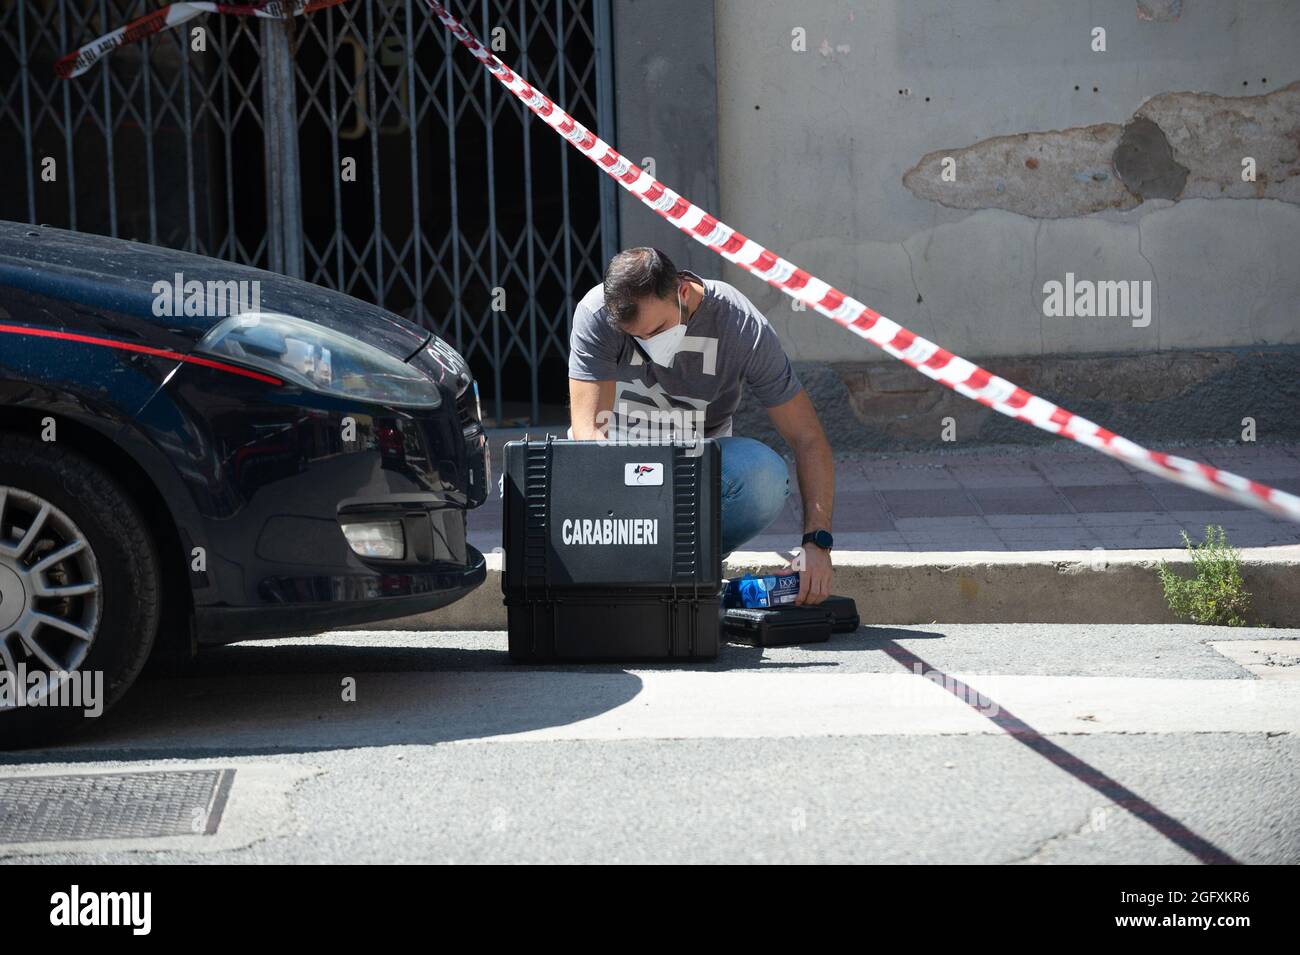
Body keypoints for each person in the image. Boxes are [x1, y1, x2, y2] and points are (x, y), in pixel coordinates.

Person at [567, 247, 835, 605]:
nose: (648, 345)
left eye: (657, 329)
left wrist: (817, 543)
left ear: (681, 291)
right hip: (618, 466)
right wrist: (624, 530)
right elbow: (589, 437)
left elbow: (807, 437)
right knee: (523, 491)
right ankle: (636, 567)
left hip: (696, 465)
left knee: (764, 475)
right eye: (636, 337)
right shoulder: (596, 313)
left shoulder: (739, 324)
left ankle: (697, 562)